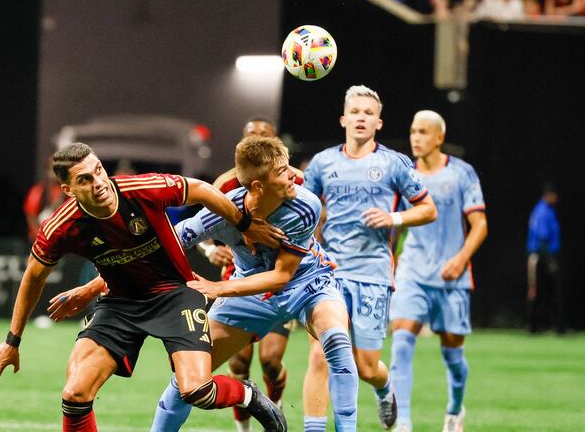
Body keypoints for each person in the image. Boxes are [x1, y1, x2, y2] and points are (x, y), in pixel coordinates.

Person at [51, 136, 358, 432]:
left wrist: (217, 288)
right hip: (250, 293)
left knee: (337, 342)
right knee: (190, 380)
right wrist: (91, 288)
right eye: (282, 170)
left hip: (308, 284)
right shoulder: (223, 212)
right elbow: (156, 249)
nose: (294, 175)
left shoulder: (305, 205)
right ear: (258, 186)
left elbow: (281, 276)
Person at [0, 142, 287, 431]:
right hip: (120, 304)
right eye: (85, 180)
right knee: (75, 393)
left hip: (175, 293)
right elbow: (33, 277)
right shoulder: (61, 227)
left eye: (99, 170)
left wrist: (245, 225)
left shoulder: (141, 189)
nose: (98, 183)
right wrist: (12, 341)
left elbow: (201, 189)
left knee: (197, 391)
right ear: (68, 190)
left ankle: (246, 394)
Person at [303, 85, 438, 430]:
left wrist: (393, 218)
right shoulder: (322, 163)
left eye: (368, 113)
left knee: (365, 367)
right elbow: (303, 213)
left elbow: (428, 209)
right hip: (328, 275)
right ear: (343, 119)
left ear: (379, 123)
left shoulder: (393, 164)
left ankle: (384, 387)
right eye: (355, 112)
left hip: (373, 275)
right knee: (320, 356)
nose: (361, 118)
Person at [201, 116, 308, 432]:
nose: (257, 138)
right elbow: (202, 227)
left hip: (280, 281)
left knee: (271, 362)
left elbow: (313, 225)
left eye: (264, 134)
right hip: (238, 276)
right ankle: (245, 429)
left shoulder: (296, 181)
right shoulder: (225, 184)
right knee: (238, 363)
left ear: (276, 144)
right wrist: (210, 250)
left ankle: (275, 411)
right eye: (251, 134)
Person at [388, 110, 488, 432]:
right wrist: (389, 263)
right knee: (401, 342)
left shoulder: (461, 173)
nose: (416, 138)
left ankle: (455, 410)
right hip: (413, 273)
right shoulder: (404, 175)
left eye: (423, 132)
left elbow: (480, 225)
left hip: (452, 277)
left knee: (454, 357)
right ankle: (403, 422)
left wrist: (461, 259)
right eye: (413, 131)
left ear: (439, 137)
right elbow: (393, 225)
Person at [526, 183, 564, 333]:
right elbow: (541, 239)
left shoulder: (548, 210)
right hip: (540, 256)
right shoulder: (543, 211)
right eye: (554, 195)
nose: (556, 198)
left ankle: (550, 325)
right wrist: (549, 261)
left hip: (543, 254)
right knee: (537, 290)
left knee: (547, 291)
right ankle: (534, 326)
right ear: (548, 195)